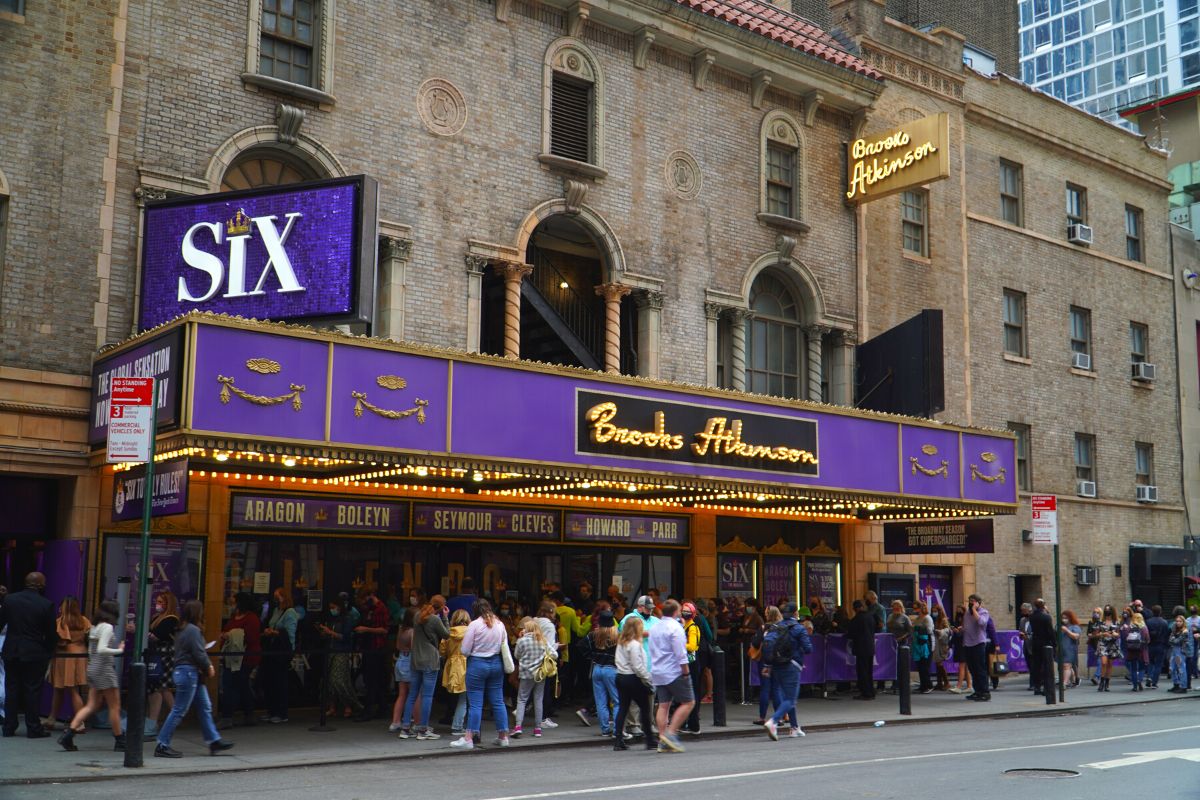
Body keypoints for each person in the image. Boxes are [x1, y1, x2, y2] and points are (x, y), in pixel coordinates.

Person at [150, 600, 235, 758]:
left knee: (205, 706)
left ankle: (213, 740)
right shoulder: (193, 630)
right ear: (197, 613)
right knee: (179, 710)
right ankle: (162, 744)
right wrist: (209, 666)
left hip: (187, 672)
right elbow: (198, 652)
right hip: (189, 672)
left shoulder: (182, 629)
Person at [57, 600, 126, 752]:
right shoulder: (107, 627)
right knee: (115, 706)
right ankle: (120, 740)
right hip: (104, 669)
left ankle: (69, 734)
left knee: (92, 705)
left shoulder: (95, 627)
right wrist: (119, 650)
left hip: (93, 667)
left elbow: (93, 649)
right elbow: (102, 649)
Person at [1, 572, 56, 738]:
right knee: (32, 690)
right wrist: (48, 650)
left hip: (12, 650)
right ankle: (33, 727)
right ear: (40, 585)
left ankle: (9, 727)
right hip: (34, 651)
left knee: (12, 688)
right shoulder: (46, 604)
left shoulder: (10, 600)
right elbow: (51, 633)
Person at [452, 598, 511, 750]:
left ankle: (469, 738)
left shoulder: (475, 624)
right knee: (498, 701)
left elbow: (465, 650)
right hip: (496, 664)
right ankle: (503, 736)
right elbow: (504, 643)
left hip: (477, 664)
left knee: (475, 703)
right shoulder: (500, 624)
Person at [761, 602, 812, 740]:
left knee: (787, 697)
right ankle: (773, 722)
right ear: (796, 613)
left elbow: (767, 645)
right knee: (790, 698)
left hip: (776, 665)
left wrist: (767, 664)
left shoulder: (775, 627)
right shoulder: (798, 628)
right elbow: (808, 649)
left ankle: (794, 728)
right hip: (792, 665)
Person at [402, 595, 449, 740]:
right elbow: (447, 635)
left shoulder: (417, 616)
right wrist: (445, 617)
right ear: (441, 607)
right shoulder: (435, 619)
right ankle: (423, 729)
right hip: (430, 660)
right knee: (427, 696)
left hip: (416, 659)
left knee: (412, 694)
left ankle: (405, 728)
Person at [648, 599, 693, 753]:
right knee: (688, 702)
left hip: (658, 671)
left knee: (663, 705)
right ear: (676, 612)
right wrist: (686, 672)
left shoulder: (655, 627)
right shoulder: (676, 628)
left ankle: (662, 740)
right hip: (674, 671)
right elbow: (681, 654)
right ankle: (671, 733)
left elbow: (652, 649)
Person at [316, 593, 364, 719]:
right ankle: (332, 707)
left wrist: (330, 632)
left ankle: (350, 705)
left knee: (339, 680)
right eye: (330, 607)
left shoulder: (347, 620)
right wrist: (324, 632)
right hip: (330, 650)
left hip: (341, 651)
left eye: (334, 607)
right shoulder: (331, 619)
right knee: (329, 681)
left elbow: (346, 637)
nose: (332, 610)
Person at [218, 591, 260, 729]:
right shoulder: (234, 617)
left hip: (246, 658)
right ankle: (248, 714)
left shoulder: (251, 618)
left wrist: (230, 635)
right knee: (238, 685)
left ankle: (228, 716)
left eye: (234, 602)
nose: (232, 604)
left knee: (235, 685)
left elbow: (251, 637)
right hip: (232, 657)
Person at [613, 615, 655, 752]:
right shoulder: (635, 645)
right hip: (633, 678)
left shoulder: (621, 642)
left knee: (623, 708)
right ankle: (650, 739)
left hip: (620, 676)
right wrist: (648, 680)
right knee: (645, 708)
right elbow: (638, 666)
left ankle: (618, 740)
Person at [47, 596, 89, 730]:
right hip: (81, 655)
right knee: (74, 690)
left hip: (64, 656)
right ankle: (53, 719)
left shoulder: (60, 622)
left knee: (60, 689)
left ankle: (78, 723)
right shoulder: (84, 620)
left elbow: (59, 640)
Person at [259, 587, 298, 723]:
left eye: (278, 596)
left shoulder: (290, 612)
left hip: (282, 651)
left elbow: (290, 634)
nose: (276, 599)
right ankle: (271, 710)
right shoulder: (276, 611)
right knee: (269, 681)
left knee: (279, 682)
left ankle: (281, 713)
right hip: (272, 648)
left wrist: (275, 632)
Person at [146, 591, 180, 734]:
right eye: (157, 601)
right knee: (161, 687)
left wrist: (146, 633)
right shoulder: (157, 617)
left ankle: (162, 719)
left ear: (168, 603)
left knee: (161, 686)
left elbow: (159, 635)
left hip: (165, 654)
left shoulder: (171, 619)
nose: (157, 605)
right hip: (157, 654)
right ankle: (173, 717)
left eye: (161, 602)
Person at [353, 587, 390, 722]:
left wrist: (366, 629)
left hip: (377, 647)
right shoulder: (370, 609)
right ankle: (381, 707)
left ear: (371, 596)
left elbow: (384, 629)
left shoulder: (380, 609)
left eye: (364, 600)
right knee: (374, 679)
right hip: (370, 646)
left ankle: (371, 709)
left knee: (373, 679)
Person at [512, 617, 552, 738]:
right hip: (540, 674)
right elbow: (554, 654)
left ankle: (518, 726)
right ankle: (538, 728)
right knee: (538, 699)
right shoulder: (543, 640)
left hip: (526, 674)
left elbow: (516, 655)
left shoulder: (522, 641)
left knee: (522, 699)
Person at [585, 610, 619, 737]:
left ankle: (605, 729)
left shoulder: (594, 635)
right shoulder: (617, 635)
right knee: (617, 701)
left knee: (600, 701)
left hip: (597, 668)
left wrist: (592, 657)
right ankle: (617, 729)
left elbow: (581, 645)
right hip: (611, 669)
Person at [441, 608, 471, 736]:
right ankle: (458, 726)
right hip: (467, 664)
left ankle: (455, 722)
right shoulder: (471, 632)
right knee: (465, 698)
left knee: (456, 696)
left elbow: (442, 651)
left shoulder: (448, 633)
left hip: (452, 665)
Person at [750, 606, 783, 722]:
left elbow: (755, 643)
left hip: (765, 662)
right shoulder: (782, 628)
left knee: (765, 688)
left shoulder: (764, 628)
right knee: (776, 689)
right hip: (778, 662)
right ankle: (778, 718)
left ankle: (762, 717)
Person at [389, 606, 415, 732]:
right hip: (409, 660)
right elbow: (414, 648)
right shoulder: (412, 632)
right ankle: (411, 721)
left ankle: (395, 721)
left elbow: (398, 646)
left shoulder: (401, 629)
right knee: (413, 694)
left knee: (402, 694)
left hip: (400, 660)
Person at [679, 602, 703, 733]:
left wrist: (679, 644)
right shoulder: (684, 625)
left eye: (688, 611)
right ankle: (686, 723)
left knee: (692, 693)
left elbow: (692, 646)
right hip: (687, 662)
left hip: (692, 663)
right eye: (683, 610)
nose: (685, 613)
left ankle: (694, 725)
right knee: (687, 693)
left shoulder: (692, 627)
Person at [962, 594, 991, 702]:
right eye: (969, 601)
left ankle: (985, 692)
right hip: (968, 644)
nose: (970, 603)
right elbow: (967, 626)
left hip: (978, 643)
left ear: (978, 603)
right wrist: (961, 629)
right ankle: (977, 691)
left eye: (973, 602)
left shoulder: (983, 612)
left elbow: (981, 623)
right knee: (972, 669)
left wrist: (974, 610)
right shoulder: (967, 614)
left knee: (980, 669)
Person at [846, 600, 876, 700]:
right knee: (869, 671)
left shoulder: (857, 619)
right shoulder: (870, 617)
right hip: (870, 647)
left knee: (862, 671)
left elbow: (850, 633)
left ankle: (865, 693)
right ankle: (871, 691)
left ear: (855, 608)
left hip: (861, 648)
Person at [884, 600, 912, 693]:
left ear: (901, 607)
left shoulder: (905, 618)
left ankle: (901, 684)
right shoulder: (890, 616)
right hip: (891, 643)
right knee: (893, 664)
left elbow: (910, 631)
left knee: (901, 664)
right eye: (894, 607)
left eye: (898, 607)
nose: (896, 608)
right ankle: (894, 684)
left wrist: (902, 637)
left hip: (902, 643)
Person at [1029, 598, 1056, 695]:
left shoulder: (1032, 616)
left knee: (1036, 665)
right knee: (1046, 666)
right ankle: (1045, 686)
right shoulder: (1046, 617)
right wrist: (1055, 643)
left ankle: (1037, 687)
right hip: (1046, 643)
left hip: (1036, 643)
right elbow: (1050, 631)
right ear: (1044, 605)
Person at [1121, 610, 1150, 692]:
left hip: (1132, 650)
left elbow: (1125, 639)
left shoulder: (1129, 627)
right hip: (1142, 650)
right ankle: (1139, 681)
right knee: (1141, 668)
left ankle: (1134, 686)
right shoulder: (1144, 628)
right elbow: (1148, 639)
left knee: (1133, 668)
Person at [1096, 605, 1121, 692]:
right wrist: (1103, 634)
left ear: (1112, 611)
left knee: (1110, 664)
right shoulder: (1100, 622)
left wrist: (1115, 635)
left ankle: (1107, 684)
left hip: (1112, 644)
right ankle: (1101, 683)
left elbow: (1119, 634)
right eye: (1106, 610)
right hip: (1103, 643)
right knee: (1103, 663)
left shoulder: (1116, 622)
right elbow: (1096, 634)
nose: (1107, 611)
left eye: (1109, 610)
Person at [911, 600, 934, 694]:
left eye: (916, 607)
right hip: (917, 644)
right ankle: (923, 685)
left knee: (925, 666)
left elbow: (929, 631)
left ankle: (928, 685)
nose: (915, 609)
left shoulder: (927, 618)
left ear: (921, 608)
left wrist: (918, 628)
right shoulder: (917, 618)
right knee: (920, 666)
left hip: (926, 644)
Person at [1146, 605, 1171, 690]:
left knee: (1150, 662)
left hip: (1150, 645)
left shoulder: (1148, 622)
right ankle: (1154, 682)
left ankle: (1149, 676)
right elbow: (1167, 635)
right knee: (1158, 664)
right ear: (1160, 612)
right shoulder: (1164, 622)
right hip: (1161, 645)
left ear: (1152, 612)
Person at [1168, 614, 1192, 693]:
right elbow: (1170, 640)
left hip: (1180, 651)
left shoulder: (1185, 631)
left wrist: (1174, 639)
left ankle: (1183, 687)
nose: (1178, 623)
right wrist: (1174, 639)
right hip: (1174, 650)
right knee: (1172, 668)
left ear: (1183, 622)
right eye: (1177, 621)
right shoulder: (1174, 629)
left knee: (1181, 669)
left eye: (1180, 621)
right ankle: (1176, 684)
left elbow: (1176, 641)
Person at [950, 604, 971, 694]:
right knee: (965, 667)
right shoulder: (957, 621)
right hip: (959, 645)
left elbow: (965, 634)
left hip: (964, 645)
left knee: (962, 666)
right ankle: (970, 685)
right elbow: (956, 636)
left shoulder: (966, 621)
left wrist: (959, 631)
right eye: (957, 610)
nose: (959, 612)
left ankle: (959, 686)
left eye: (960, 610)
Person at [1060, 610, 1082, 688]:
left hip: (1070, 649)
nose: (1064, 619)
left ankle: (1064, 683)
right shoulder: (1059, 626)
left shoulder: (1075, 627)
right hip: (1061, 649)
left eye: (1066, 618)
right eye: (1062, 618)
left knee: (1067, 665)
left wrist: (1066, 630)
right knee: (1064, 667)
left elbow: (1076, 636)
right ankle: (1072, 680)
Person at [932, 605, 952, 691]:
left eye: (935, 611)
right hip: (937, 643)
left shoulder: (943, 620)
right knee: (937, 663)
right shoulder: (935, 620)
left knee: (939, 663)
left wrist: (939, 632)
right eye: (933, 611)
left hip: (942, 644)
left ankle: (947, 682)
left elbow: (948, 631)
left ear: (939, 611)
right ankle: (939, 682)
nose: (934, 613)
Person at [1017, 602, 1035, 691]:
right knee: (1030, 666)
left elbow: (1036, 633)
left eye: (1023, 611)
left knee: (1034, 665)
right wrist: (1020, 635)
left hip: (1034, 646)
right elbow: (1020, 631)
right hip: (1026, 647)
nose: (1022, 612)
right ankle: (1033, 683)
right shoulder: (1022, 620)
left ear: (1029, 610)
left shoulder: (1035, 619)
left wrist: (1027, 636)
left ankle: (1033, 684)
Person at [1086, 607, 1104, 685]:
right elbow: (1088, 634)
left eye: (1097, 612)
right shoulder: (1091, 622)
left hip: (1100, 644)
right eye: (1094, 612)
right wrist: (1095, 635)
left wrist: (1095, 635)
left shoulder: (1102, 623)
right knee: (1097, 661)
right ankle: (1099, 676)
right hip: (1092, 644)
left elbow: (1102, 634)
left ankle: (1096, 677)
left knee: (1100, 661)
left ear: (1100, 614)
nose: (1095, 614)